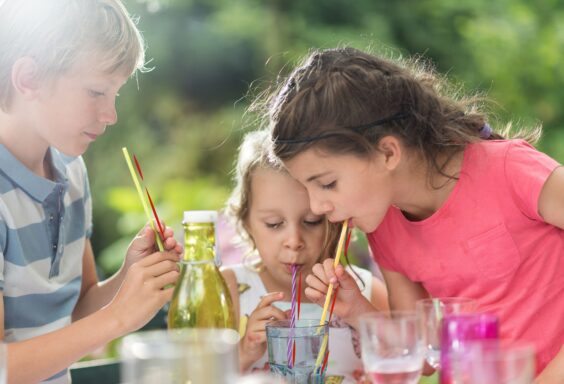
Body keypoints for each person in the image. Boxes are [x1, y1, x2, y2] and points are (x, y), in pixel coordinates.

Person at [262, 47, 564, 380]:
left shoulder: (507, 170)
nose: (317, 206)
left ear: (388, 152)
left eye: (327, 184)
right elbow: (421, 357)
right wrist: (356, 309)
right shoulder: (385, 227)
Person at [0, 1, 182, 383]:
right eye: (97, 91)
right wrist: (119, 317)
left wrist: (128, 277)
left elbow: (77, 313)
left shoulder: (71, 171)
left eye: (113, 94)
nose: (111, 114)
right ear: (29, 78)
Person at [222, 130, 388, 382]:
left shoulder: (366, 292)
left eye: (311, 221)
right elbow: (193, 375)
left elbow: (411, 362)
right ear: (246, 222)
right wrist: (244, 351)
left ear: (336, 220)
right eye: (274, 223)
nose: (294, 241)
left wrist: (359, 313)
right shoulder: (228, 290)